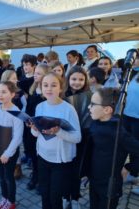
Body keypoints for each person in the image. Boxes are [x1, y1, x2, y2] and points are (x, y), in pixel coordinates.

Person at [30, 72, 81, 209]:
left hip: (61, 162)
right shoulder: (40, 107)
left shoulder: (68, 109)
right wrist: (34, 129)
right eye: (45, 85)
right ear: (41, 87)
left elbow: (77, 137)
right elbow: (35, 134)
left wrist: (58, 131)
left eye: (53, 85)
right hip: (42, 158)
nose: (49, 89)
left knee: (55, 197)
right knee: (45, 194)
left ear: (61, 88)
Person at [84, 88, 139, 209]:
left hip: (109, 185)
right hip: (94, 180)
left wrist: (129, 167)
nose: (89, 107)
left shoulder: (119, 132)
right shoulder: (95, 121)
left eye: (93, 104)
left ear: (107, 110)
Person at [0, 81, 24, 209]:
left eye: (4, 92)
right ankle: (4, 197)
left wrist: (7, 154)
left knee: (9, 177)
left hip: (10, 153)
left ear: (12, 94)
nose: (0, 95)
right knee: (1, 176)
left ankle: (11, 201)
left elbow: (17, 137)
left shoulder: (17, 113)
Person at [64, 66, 92, 209]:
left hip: (82, 139)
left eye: (81, 79)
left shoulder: (89, 95)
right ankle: (65, 196)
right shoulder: (62, 95)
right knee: (64, 170)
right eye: (74, 79)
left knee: (76, 170)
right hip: (64, 138)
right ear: (68, 79)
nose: (77, 82)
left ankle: (74, 197)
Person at [25, 64, 50, 192]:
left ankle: (42, 180)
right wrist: (27, 120)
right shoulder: (33, 90)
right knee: (34, 155)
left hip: (43, 129)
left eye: (39, 73)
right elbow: (29, 109)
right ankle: (35, 177)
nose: (35, 75)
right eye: (35, 72)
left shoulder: (47, 93)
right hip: (32, 128)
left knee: (41, 156)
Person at [122, 57, 139, 195]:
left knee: (136, 147)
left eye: (136, 59)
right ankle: (133, 174)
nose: (134, 61)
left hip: (138, 119)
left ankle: (130, 169)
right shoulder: (133, 74)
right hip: (128, 115)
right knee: (129, 147)